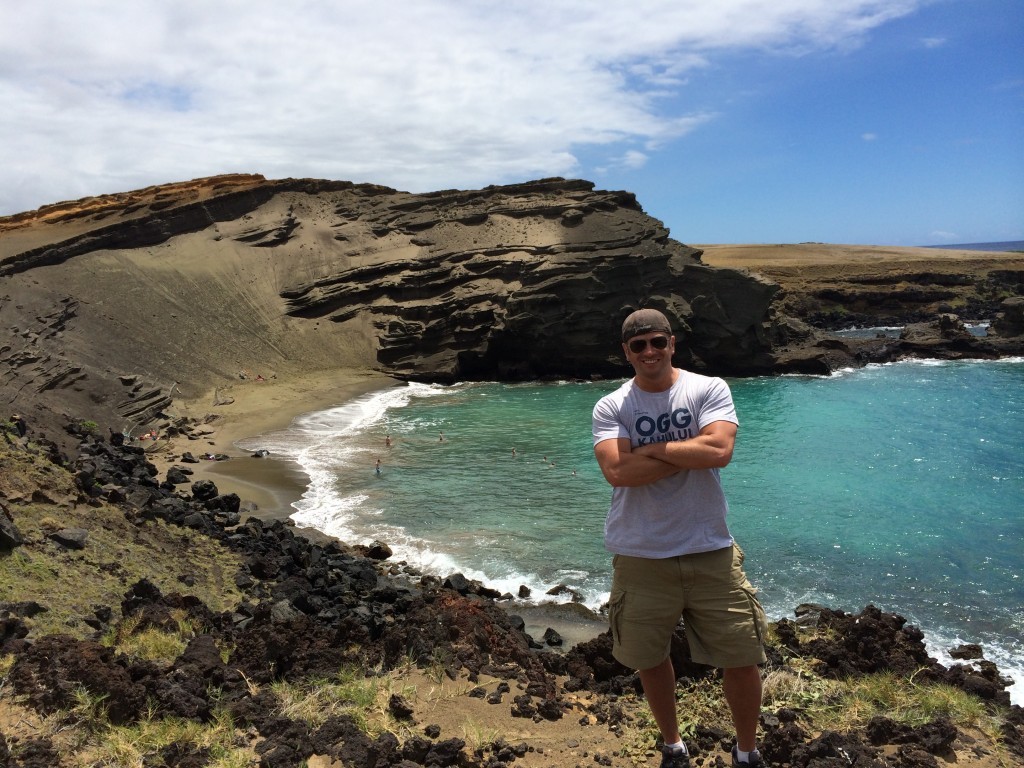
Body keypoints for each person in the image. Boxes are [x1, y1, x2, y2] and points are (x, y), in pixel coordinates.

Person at [592, 308, 768, 768]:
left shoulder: (707, 388)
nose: (649, 352)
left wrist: (649, 449)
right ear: (626, 353)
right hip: (640, 553)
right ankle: (673, 746)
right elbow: (617, 471)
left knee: (742, 656)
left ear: (672, 343)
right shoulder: (612, 406)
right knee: (650, 659)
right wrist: (687, 452)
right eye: (638, 345)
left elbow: (720, 450)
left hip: (711, 547)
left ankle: (747, 751)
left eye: (657, 342)